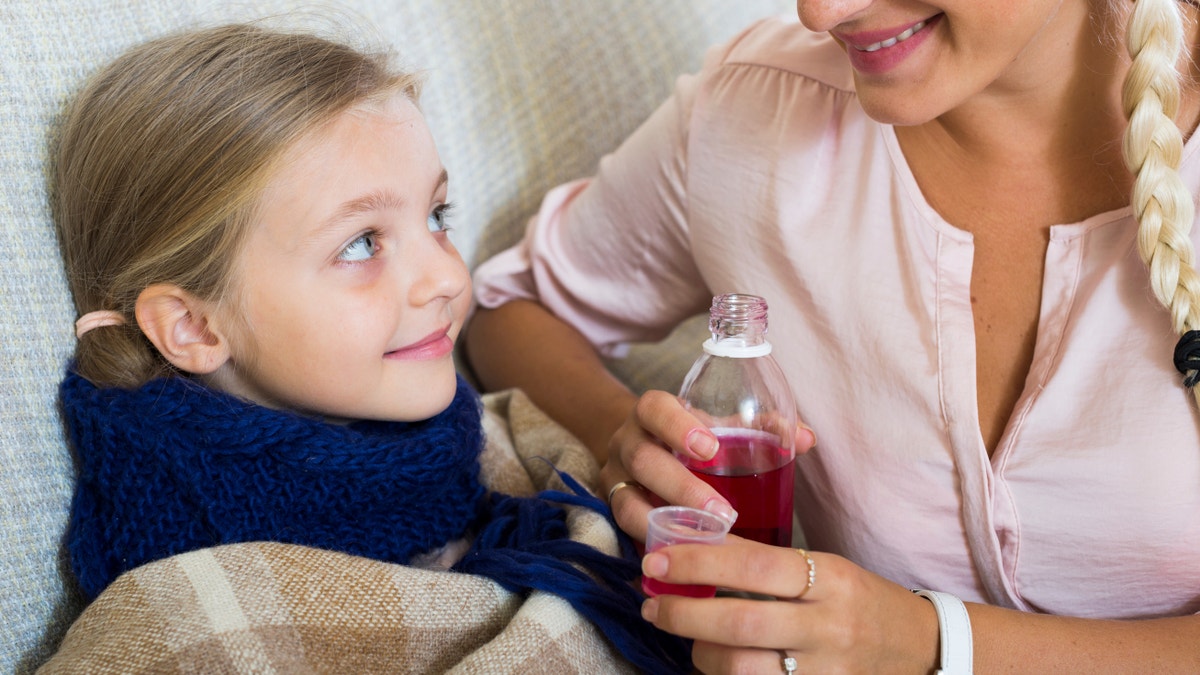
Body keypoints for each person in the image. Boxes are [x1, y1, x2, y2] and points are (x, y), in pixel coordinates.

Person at [465, 0, 1200, 671]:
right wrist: (631, 441)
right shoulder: (756, 115)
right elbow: (509, 307)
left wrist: (927, 642)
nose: (821, 13)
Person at [52, 23, 689, 673]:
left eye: (438, 216)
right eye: (361, 244)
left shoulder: (516, 459)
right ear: (194, 327)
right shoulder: (178, 607)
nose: (447, 278)